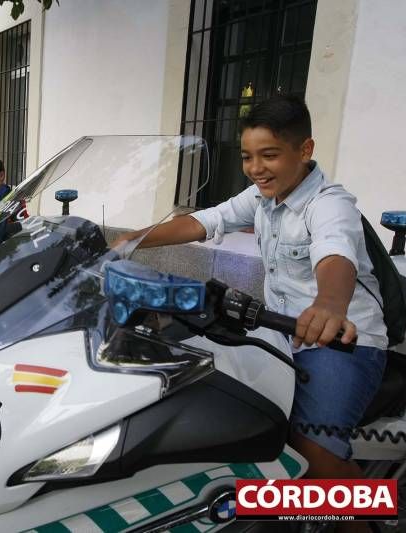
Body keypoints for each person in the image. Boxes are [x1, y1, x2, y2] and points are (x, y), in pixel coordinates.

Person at [114, 96, 386, 511]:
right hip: (281, 330)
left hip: (340, 339)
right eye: (247, 157)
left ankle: (360, 519)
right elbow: (204, 220)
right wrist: (134, 238)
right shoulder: (262, 197)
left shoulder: (329, 204)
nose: (256, 168)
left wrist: (330, 304)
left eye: (270, 155)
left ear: (305, 150)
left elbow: (337, 255)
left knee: (314, 453)